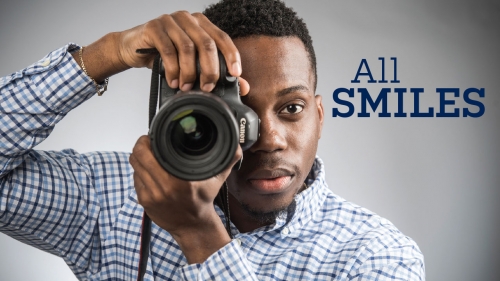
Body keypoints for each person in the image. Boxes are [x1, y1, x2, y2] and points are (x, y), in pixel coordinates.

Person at [0, 0, 424, 280]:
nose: (268, 138)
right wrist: (106, 54)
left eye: (291, 109)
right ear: (185, 105)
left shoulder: (374, 255)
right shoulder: (113, 196)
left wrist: (198, 233)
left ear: (318, 115)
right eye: (237, 110)